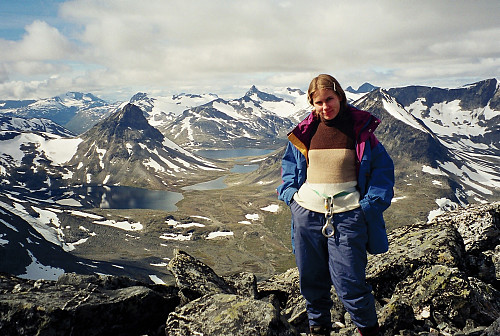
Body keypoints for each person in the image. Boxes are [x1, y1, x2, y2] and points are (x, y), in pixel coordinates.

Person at [277, 74, 394, 336]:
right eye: (318, 102)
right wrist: (291, 198)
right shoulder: (305, 132)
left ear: (339, 96)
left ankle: (369, 330)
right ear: (312, 103)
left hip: (347, 216)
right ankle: (319, 328)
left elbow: (383, 170)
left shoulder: (359, 130)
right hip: (306, 215)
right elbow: (288, 168)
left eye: (329, 99)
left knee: (350, 282)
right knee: (311, 279)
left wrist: (366, 208)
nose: (325, 106)